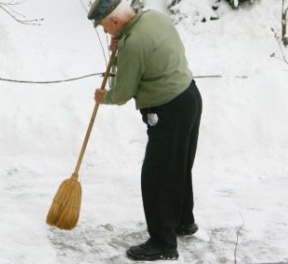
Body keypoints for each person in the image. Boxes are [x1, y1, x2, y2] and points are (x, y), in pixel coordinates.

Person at [87, 0, 203, 261]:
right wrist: (119, 52)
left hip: (168, 110)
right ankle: (183, 221)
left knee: (157, 176)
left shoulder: (133, 44)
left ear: (115, 21)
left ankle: (163, 243)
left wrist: (103, 96)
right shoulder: (154, 18)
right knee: (178, 166)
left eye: (105, 26)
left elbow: (123, 92)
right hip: (190, 97)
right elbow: (144, 55)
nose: (106, 32)